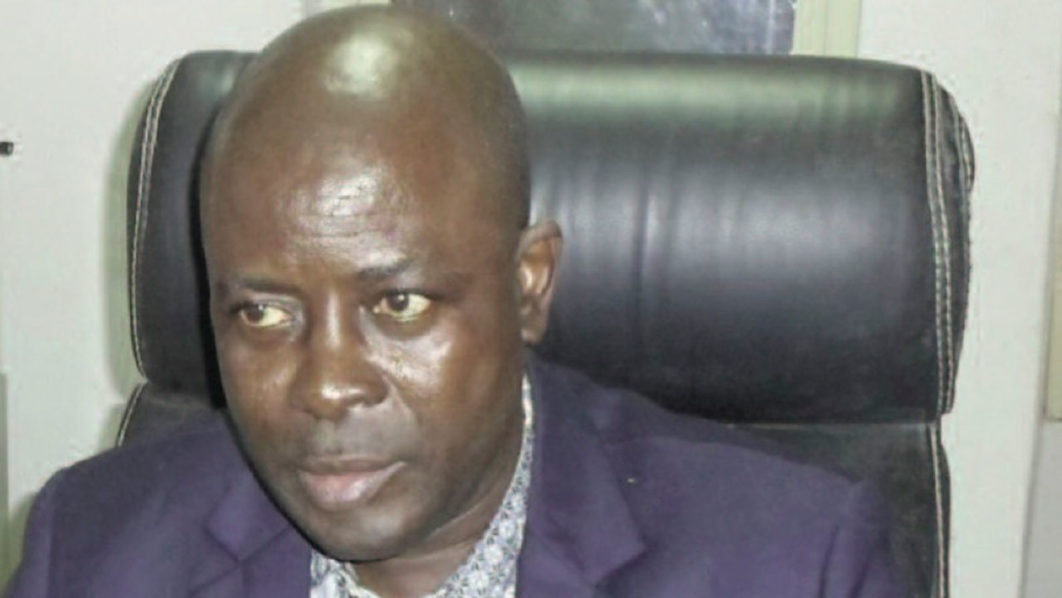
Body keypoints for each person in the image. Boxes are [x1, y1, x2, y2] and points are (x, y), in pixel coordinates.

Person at [5, 6, 903, 597]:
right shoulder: (88, 553)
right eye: (264, 314)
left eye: (398, 304)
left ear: (528, 285)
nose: (326, 386)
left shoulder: (795, 566)